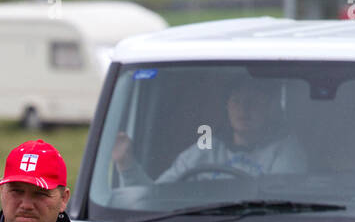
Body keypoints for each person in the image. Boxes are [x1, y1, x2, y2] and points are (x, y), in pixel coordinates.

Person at [112, 77, 305, 185]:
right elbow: (153, 196)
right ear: (227, 107)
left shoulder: (285, 151)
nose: (244, 109)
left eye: (254, 102)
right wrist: (126, 164)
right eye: (236, 101)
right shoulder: (205, 149)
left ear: (271, 108)